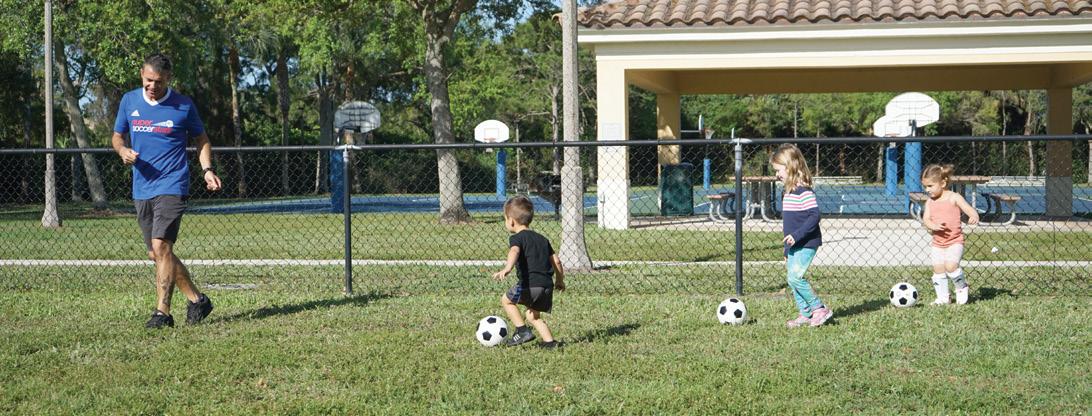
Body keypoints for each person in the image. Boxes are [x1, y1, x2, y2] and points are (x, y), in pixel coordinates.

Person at [111, 53, 222, 328]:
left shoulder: (183, 105)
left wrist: (207, 170)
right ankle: (198, 300)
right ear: (142, 74)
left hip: (173, 183)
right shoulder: (129, 101)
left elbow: (202, 139)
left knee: (162, 246)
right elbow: (117, 136)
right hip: (142, 186)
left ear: (168, 79)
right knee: (156, 253)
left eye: (158, 82)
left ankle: (162, 313)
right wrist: (122, 151)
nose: (152, 86)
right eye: (148, 80)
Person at [770, 144, 832, 327]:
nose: (777, 175)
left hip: (807, 242)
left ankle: (819, 308)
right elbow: (789, 225)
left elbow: (815, 216)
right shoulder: (787, 192)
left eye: (779, 170)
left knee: (795, 277)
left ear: (790, 167)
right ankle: (806, 313)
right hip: (794, 244)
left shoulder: (803, 191)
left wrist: (797, 236)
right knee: (792, 279)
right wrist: (787, 248)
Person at [492, 196, 565, 348]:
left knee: (506, 300)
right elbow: (557, 261)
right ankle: (550, 342)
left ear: (511, 221)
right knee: (533, 316)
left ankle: (522, 330)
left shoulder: (516, 238)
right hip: (546, 286)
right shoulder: (542, 239)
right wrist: (559, 280)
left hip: (529, 285)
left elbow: (514, 251)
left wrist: (508, 268)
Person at [921, 164, 979, 305]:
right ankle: (943, 297)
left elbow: (969, 209)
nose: (927, 190)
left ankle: (961, 287)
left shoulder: (954, 197)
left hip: (955, 241)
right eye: (925, 187)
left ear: (942, 183)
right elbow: (926, 219)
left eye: (930, 186)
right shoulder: (930, 202)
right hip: (938, 243)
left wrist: (973, 216)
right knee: (938, 269)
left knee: (951, 266)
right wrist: (933, 226)